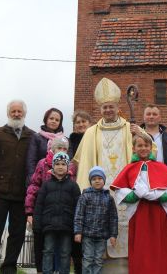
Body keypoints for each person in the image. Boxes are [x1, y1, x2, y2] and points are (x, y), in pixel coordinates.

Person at [73, 77, 146, 263]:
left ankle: (127, 263)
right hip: (100, 191)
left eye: (111, 106)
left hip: (125, 188)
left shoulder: (130, 128)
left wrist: (140, 133)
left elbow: (148, 149)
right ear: (100, 109)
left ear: (117, 106)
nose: (108, 110)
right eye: (104, 107)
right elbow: (82, 161)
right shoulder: (91, 132)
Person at [0, 100, 36, 274]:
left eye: (20, 111)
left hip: (21, 195)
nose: (16, 114)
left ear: (24, 114)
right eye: (13, 111)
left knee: (17, 235)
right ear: (8, 113)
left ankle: (9, 268)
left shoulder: (32, 137)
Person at [111, 133, 167, 274]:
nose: (143, 148)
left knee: (158, 246)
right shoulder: (129, 168)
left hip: (158, 212)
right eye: (139, 145)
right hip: (139, 212)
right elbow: (120, 190)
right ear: (134, 148)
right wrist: (133, 195)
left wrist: (159, 196)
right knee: (141, 246)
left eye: (146, 145)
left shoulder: (162, 167)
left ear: (151, 147)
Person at [26, 137, 73, 274]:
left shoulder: (69, 167)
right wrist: (30, 211)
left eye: (65, 149)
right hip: (46, 213)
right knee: (46, 247)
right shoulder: (42, 163)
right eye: (59, 148)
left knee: (63, 250)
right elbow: (34, 186)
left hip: (63, 215)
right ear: (52, 148)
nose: (62, 150)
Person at [33, 152, 80, 274]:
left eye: (63, 164)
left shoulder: (73, 186)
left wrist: (77, 228)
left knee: (65, 253)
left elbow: (78, 208)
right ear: (53, 166)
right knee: (48, 251)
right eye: (57, 164)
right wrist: (37, 224)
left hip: (67, 226)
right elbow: (39, 206)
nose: (60, 166)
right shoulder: (46, 185)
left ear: (68, 166)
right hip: (49, 225)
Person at [73, 167, 118, 274]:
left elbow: (113, 218)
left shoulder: (109, 198)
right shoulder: (85, 196)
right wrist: (78, 232)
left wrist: (113, 235)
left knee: (98, 260)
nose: (97, 181)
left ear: (104, 180)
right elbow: (79, 215)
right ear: (90, 181)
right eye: (94, 179)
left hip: (102, 236)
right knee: (88, 259)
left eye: (99, 178)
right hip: (87, 235)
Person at [67, 110, 91, 274]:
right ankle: (78, 268)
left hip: (91, 186)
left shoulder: (93, 138)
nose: (81, 124)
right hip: (75, 188)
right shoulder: (70, 142)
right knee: (76, 229)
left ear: (89, 123)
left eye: (84, 121)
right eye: (78, 122)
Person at [26, 108, 65, 184]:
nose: (54, 121)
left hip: (59, 179)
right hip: (39, 179)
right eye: (51, 118)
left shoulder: (65, 140)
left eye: (57, 120)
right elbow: (31, 160)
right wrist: (32, 179)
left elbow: (68, 160)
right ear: (46, 119)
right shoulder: (36, 137)